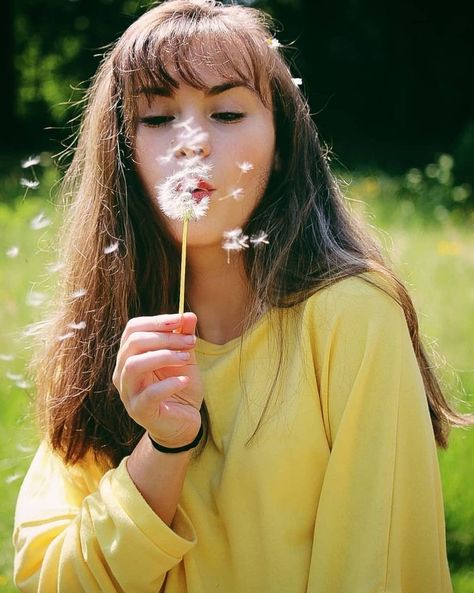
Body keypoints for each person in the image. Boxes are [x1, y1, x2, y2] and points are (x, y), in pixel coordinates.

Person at [12, 1, 471, 592]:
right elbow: (51, 581)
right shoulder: (101, 338)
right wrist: (164, 448)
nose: (193, 142)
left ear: (281, 143)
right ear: (121, 152)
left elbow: (374, 571)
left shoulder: (352, 317)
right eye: (156, 118)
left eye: (227, 112)